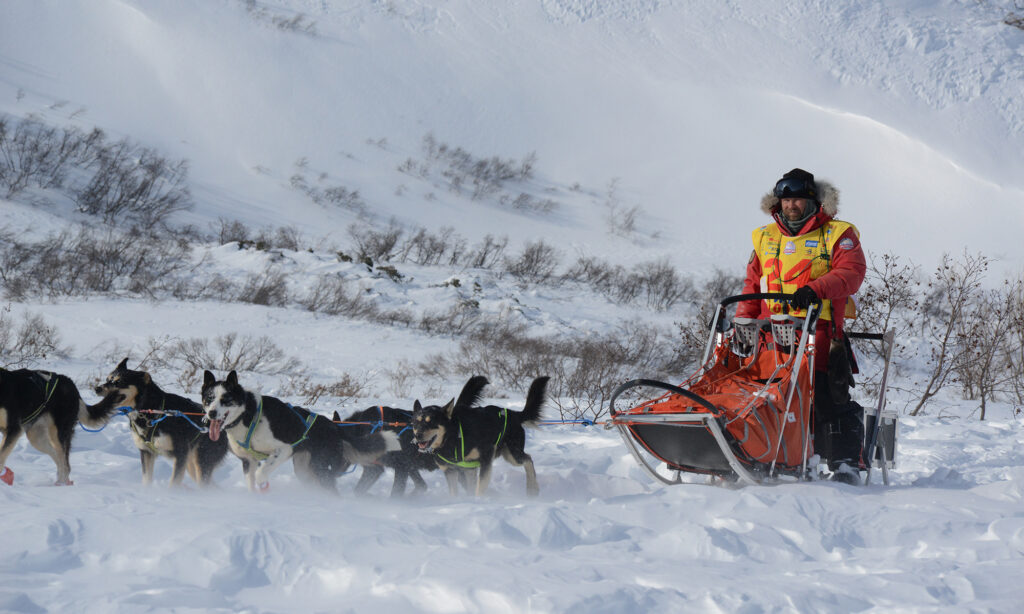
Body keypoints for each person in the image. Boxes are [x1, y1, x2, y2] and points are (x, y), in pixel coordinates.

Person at [735, 168, 867, 483]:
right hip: (769, 338)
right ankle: (757, 454)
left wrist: (816, 289)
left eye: (798, 200)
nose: (791, 205)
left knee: (826, 399)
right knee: (763, 398)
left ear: (813, 202)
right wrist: (743, 319)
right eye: (786, 200)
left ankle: (847, 464)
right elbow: (754, 284)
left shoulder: (837, 233)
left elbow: (853, 272)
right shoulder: (765, 237)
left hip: (818, 336)